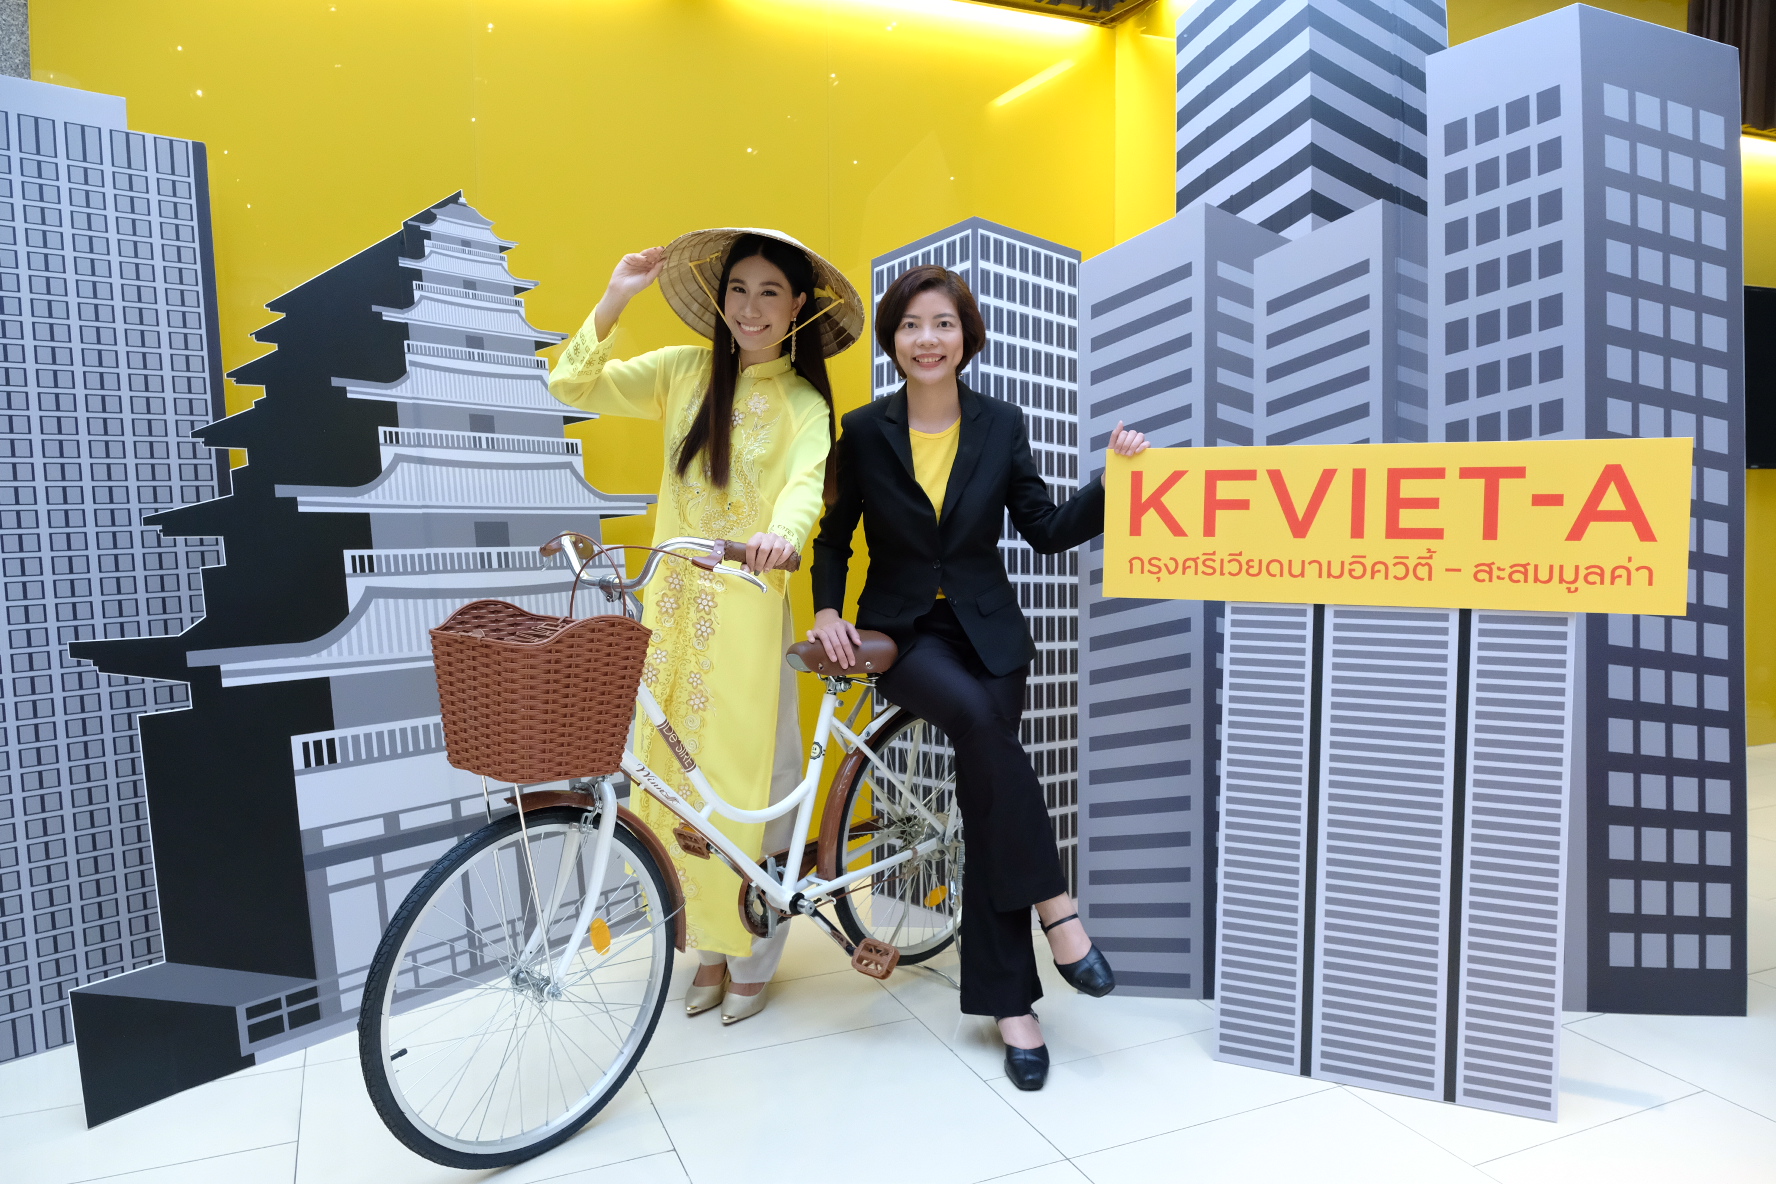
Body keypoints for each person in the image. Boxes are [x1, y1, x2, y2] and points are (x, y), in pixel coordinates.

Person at [808, 264, 1148, 1090]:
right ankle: (1060, 915)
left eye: (943, 324)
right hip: (905, 636)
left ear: (966, 338)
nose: (927, 339)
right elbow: (834, 537)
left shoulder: (1001, 423)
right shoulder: (864, 430)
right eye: (911, 325)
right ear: (893, 340)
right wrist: (825, 611)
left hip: (991, 634)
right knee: (978, 726)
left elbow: (1045, 528)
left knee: (989, 804)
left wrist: (1110, 485)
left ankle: (1013, 1011)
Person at [549, 229, 863, 1025]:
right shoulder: (680, 373)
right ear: (720, 302)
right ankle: (705, 945)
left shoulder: (804, 404)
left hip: (748, 612)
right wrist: (616, 295)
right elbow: (571, 383)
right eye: (738, 291)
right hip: (670, 613)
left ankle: (752, 949)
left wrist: (782, 537)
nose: (751, 308)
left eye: (769, 292)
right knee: (674, 784)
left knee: (746, 784)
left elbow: (805, 486)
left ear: (797, 306)